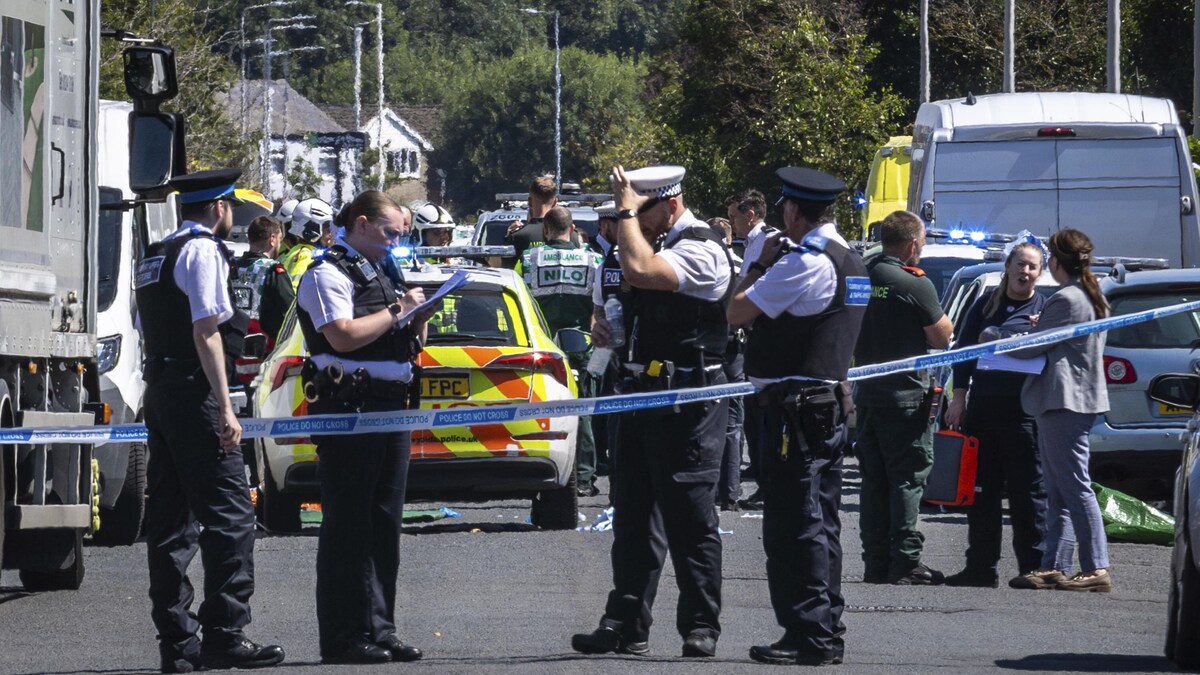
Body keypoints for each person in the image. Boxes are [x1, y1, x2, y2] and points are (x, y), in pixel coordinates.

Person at [572, 165, 731, 659]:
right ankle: (624, 624)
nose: (630, 225)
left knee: (690, 519)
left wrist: (625, 213)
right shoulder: (645, 246)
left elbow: (642, 271)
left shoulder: (701, 249)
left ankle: (700, 625)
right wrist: (605, 330)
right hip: (639, 394)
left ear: (670, 204)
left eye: (639, 214)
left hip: (689, 400)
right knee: (632, 519)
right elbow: (618, 301)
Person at [134, 168, 284, 673]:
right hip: (194, 393)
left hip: (161, 389)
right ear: (219, 208)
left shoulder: (156, 253)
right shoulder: (201, 251)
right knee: (231, 517)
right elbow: (207, 332)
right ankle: (224, 634)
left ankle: (176, 645)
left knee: (172, 524)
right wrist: (225, 406)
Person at [728, 166, 868, 666]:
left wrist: (757, 265)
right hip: (826, 405)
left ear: (791, 210)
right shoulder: (850, 258)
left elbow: (737, 311)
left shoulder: (802, 262)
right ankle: (823, 624)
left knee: (795, 525)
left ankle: (810, 633)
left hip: (796, 410)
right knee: (821, 523)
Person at [295, 191, 434, 664]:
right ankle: (343, 635)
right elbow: (342, 335)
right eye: (390, 232)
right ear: (359, 224)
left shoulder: (384, 270)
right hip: (349, 408)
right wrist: (399, 310)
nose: (398, 241)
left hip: (390, 405)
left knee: (383, 523)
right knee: (348, 524)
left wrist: (419, 316)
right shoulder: (326, 271)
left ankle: (380, 627)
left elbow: (407, 339)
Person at [853, 210, 953, 585]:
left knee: (873, 481)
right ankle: (906, 560)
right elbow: (942, 337)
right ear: (912, 244)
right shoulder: (914, 283)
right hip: (906, 397)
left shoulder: (861, 276)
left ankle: (875, 561)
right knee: (907, 480)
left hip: (867, 396)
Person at [942, 238, 1049, 588]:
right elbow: (963, 352)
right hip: (984, 411)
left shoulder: (1046, 310)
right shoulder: (985, 305)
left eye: (1032, 266)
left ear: (1040, 272)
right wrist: (959, 397)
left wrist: (1039, 330)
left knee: (1027, 494)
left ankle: (1032, 567)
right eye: (1020, 264)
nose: (1025, 272)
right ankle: (981, 569)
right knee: (982, 492)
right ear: (1007, 267)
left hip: (1023, 416)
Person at [1011, 228, 1112, 592]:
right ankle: (1054, 564)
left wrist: (998, 340)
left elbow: (1029, 349)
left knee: (1074, 487)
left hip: (1063, 402)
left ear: (1054, 262)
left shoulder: (1068, 298)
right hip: (1067, 402)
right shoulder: (1088, 294)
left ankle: (1097, 566)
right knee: (1059, 489)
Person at [517, 206, 604, 497]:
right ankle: (583, 477)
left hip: (543, 349)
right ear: (572, 227)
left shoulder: (529, 260)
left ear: (545, 230)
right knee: (584, 413)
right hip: (582, 346)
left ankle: (540, 467)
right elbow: (602, 305)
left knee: (542, 411)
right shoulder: (594, 260)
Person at [707, 215, 744, 512]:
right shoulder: (743, 265)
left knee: (705, 419)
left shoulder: (707, 264)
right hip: (736, 350)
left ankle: (707, 488)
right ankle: (730, 491)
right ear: (730, 238)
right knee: (733, 422)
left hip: (708, 348)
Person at [232, 215, 294, 345]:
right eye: (279, 239)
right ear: (272, 238)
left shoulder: (232, 268)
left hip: (233, 345)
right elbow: (290, 311)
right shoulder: (273, 270)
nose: (280, 244)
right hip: (265, 350)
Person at [502, 176, 556, 267]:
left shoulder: (517, 237)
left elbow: (507, 273)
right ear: (555, 202)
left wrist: (508, 237)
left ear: (530, 202)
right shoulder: (570, 236)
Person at [279, 197, 334, 288]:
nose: (330, 235)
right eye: (327, 230)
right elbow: (295, 292)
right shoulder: (306, 256)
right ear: (313, 229)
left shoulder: (295, 251)